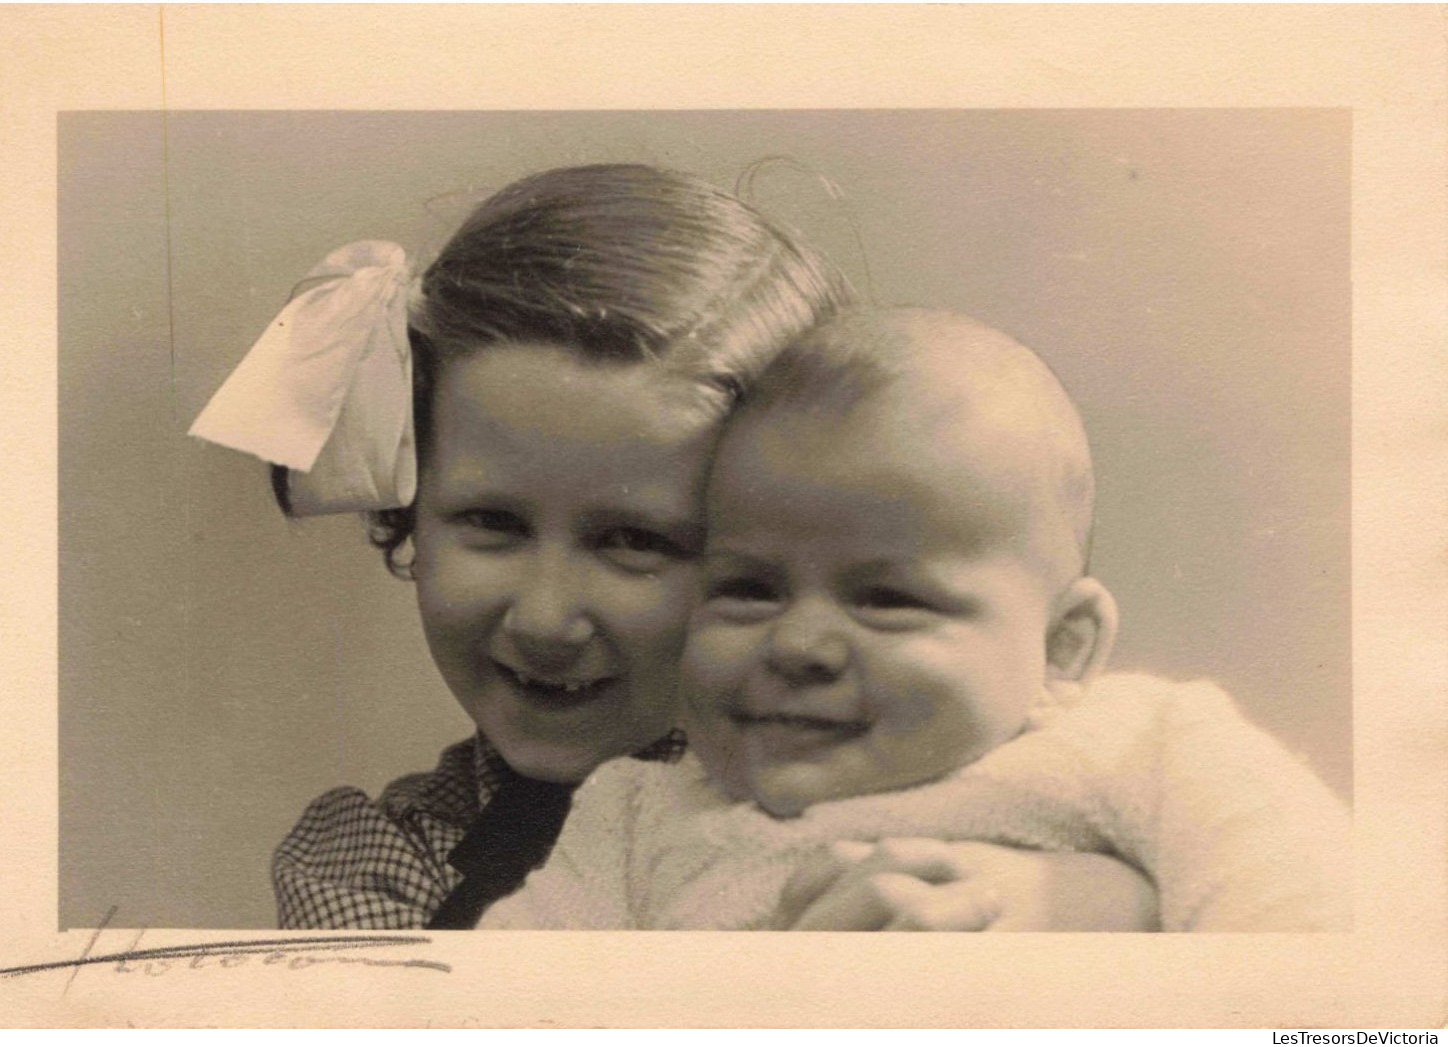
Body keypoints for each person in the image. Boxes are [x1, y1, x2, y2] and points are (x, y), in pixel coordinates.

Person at [192, 165, 1160, 931]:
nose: (543, 617)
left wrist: (1097, 908)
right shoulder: (377, 868)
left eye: (634, 540)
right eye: (491, 523)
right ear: (409, 511)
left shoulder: (1005, 776)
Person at [479, 307, 1351, 931]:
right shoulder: (634, 810)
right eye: (748, 587)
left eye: (884, 598)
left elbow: (1311, 944)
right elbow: (497, 1008)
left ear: (1061, 649)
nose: (798, 643)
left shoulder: (1147, 743)